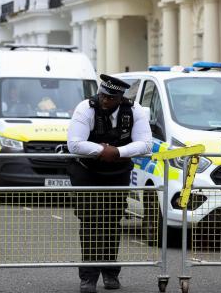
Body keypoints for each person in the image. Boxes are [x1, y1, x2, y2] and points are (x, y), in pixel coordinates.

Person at [67, 74, 152, 293]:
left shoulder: (135, 111)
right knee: (91, 222)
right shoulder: (85, 108)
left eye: (111, 98)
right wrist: (101, 151)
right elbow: (75, 144)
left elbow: (145, 145)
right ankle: (88, 277)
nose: (105, 101)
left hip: (117, 173)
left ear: (120, 98)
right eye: (103, 95)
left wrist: (117, 152)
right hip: (87, 173)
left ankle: (110, 273)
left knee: (112, 222)